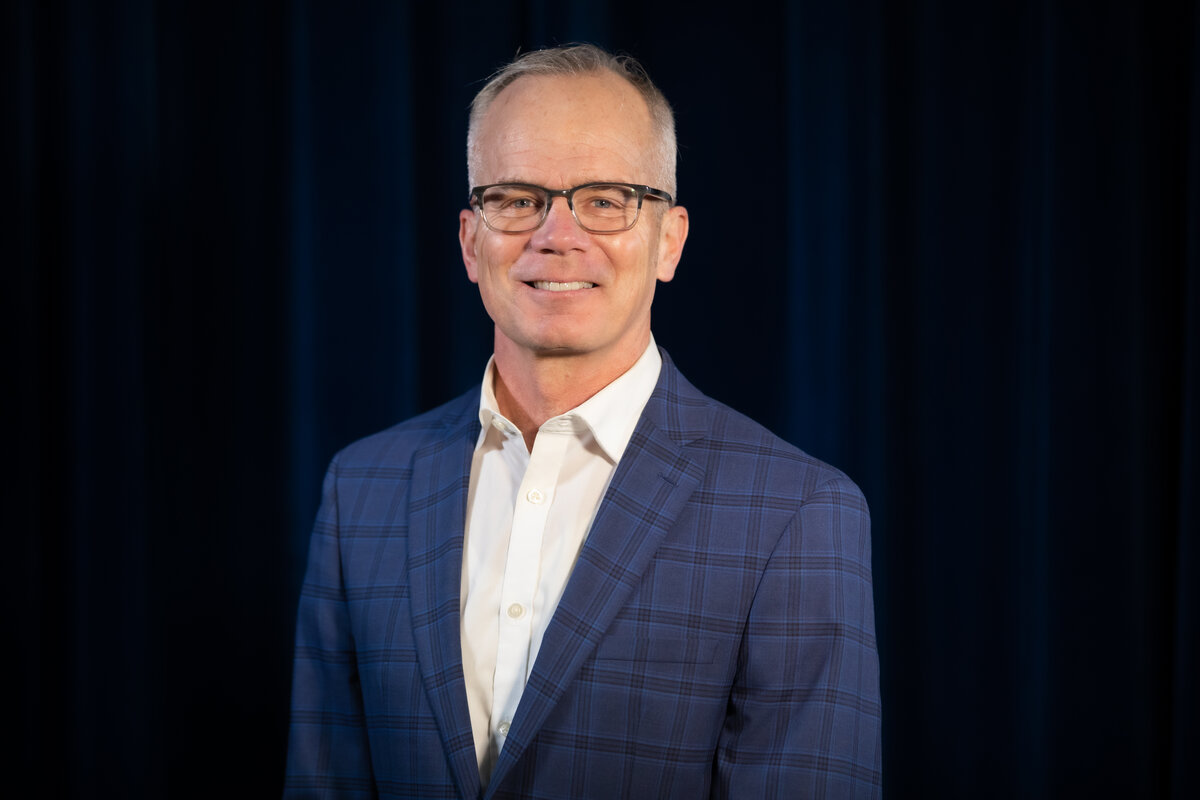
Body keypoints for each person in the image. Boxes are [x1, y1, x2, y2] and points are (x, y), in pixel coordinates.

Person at [284, 44, 881, 799]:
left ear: (669, 241)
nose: (557, 235)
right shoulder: (361, 489)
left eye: (605, 199)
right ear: (470, 241)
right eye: (516, 198)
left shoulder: (796, 513)